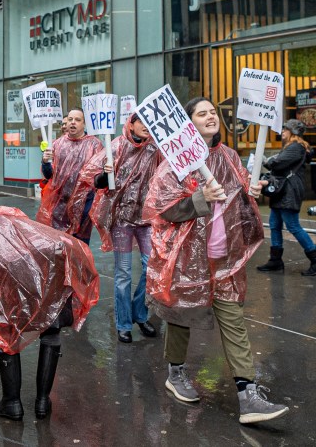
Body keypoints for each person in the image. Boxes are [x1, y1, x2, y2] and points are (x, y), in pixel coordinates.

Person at [143, 97, 289, 425]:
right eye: (202, 113)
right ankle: (175, 372)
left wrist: (252, 190)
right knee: (182, 315)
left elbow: (237, 197)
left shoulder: (229, 156)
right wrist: (199, 198)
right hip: (188, 258)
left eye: (213, 112)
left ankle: (247, 394)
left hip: (224, 258)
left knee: (233, 319)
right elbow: (161, 208)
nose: (210, 117)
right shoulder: (175, 163)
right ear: (188, 122)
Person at [0, 207, 99, 421]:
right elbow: (76, 252)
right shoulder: (35, 233)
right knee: (51, 330)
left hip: (8, 301)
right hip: (45, 298)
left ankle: (12, 403)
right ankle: (42, 401)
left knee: (5, 337)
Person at [78, 114, 160, 343]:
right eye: (141, 121)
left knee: (152, 268)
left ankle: (139, 314)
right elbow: (93, 179)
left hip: (146, 219)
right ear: (131, 124)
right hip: (121, 220)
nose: (146, 125)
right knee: (123, 273)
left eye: (149, 121)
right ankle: (124, 323)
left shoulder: (155, 148)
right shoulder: (115, 146)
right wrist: (105, 174)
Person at [255, 118, 316, 276]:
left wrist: (266, 160)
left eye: (286, 129)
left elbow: (278, 163)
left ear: (293, 132)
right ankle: (275, 260)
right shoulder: (291, 146)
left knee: (293, 226)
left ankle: (315, 259)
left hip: (289, 191)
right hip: (283, 191)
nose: (282, 131)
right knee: (275, 224)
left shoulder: (296, 147)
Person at [37, 109, 103, 243]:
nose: (73, 123)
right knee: (58, 247)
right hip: (59, 204)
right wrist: (45, 161)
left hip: (84, 205)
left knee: (79, 247)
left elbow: (98, 178)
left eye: (78, 120)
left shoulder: (94, 145)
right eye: (70, 119)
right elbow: (49, 175)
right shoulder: (57, 144)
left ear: (84, 124)